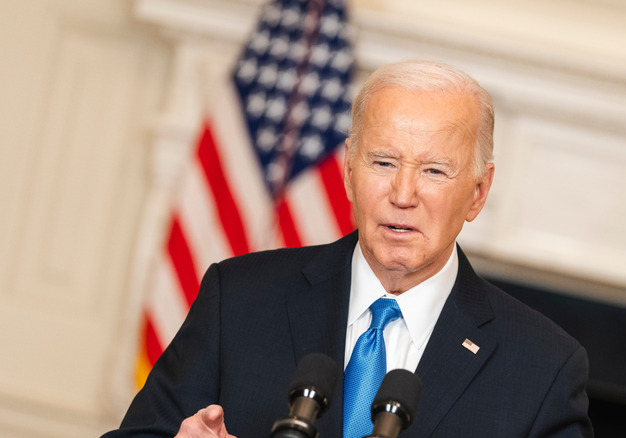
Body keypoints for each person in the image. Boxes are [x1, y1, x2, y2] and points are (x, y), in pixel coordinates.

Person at [103, 60, 593, 438]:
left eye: (434, 171)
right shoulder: (238, 299)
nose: (403, 194)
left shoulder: (543, 366)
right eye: (383, 162)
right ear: (349, 172)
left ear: (478, 193)